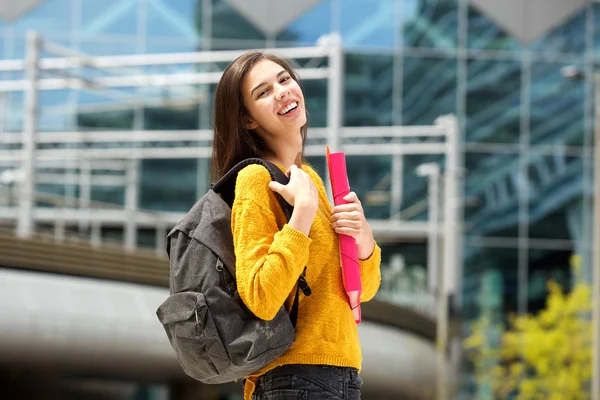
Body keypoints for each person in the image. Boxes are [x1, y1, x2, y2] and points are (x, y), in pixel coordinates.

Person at [210, 50, 382, 400]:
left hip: (339, 374)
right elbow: (261, 296)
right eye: (263, 92)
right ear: (247, 121)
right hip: (294, 377)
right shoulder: (256, 179)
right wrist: (302, 214)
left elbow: (358, 291)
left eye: (284, 79)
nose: (282, 91)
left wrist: (363, 241)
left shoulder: (311, 180)